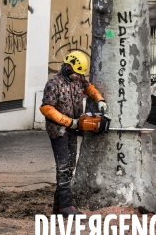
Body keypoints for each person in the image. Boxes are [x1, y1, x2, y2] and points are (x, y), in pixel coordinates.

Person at [40, 50, 107, 217]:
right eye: (76, 72)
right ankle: (66, 206)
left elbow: (89, 88)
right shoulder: (53, 84)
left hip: (73, 129)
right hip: (59, 131)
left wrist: (99, 100)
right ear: (68, 66)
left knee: (70, 167)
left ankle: (58, 205)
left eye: (80, 74)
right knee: (63, 168)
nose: (78, 76)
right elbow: (46, 108)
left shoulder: (78, 81)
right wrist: (69, 122)